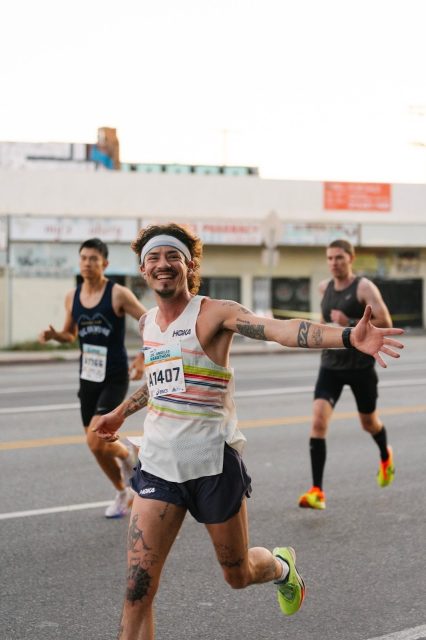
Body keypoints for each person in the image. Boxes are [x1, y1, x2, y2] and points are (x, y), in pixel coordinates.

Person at [93, 224, 403, 640]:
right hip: (159, 470)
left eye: (172, 256)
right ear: (143, 269)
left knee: (238, 573)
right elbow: (162, 380)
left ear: (189, 264)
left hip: (213, 466)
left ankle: (281, 567)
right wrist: (119, 413)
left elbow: (280, 329)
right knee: (137, 592)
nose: (163, 264)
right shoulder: (148, 324)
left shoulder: (215, 313)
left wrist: (347, 336)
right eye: (154, 258)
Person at [39, 237, 147, 518]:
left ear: (105, 263)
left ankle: (125, 458)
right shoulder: (72, 296)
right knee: (96, 446)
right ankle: (123, 490)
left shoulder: (118, 294)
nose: (87, 263)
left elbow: (149, 322)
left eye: (93, 259)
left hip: (114, 376)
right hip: (87, 377)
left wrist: (143, 356)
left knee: (96, 439)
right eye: (83, 258)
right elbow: (70, 334)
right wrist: (54, 336)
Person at [298, 239, 396, 511]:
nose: (334, 263)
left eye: (339, 258)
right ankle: (317, 491)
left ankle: (385, 455)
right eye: (330, 258)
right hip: (330, 366)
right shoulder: (323, 288)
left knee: (369, 424)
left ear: (350, 258)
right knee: (318, 422)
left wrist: (349, 323)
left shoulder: (364, 287)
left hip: (361, 369)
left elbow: (386, 323)